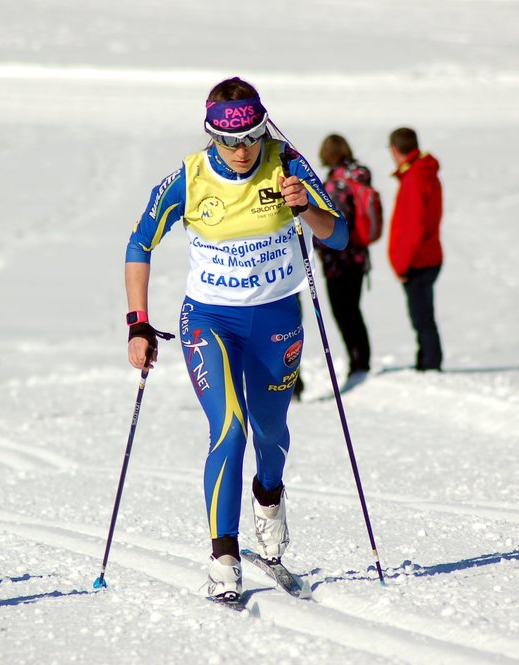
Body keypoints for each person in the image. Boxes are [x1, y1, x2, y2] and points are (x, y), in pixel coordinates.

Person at [124, 77, 348, 602]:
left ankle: (269, 496)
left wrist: (305, 207)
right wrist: (138, 321)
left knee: (271, 434)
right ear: (212, 136)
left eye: (252, 136)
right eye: (230, 141)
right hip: (209, 321)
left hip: (276, 321)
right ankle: (224, 555)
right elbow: (139, 243)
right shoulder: (189, 176)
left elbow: (337, 233)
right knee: (230, 429)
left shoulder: (286, 161)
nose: (243, 150)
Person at [317, 134, 374, 385]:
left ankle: (358, 363)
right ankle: (361, 362)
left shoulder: (334, 185)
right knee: (353, 311)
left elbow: (334, 225)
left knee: (344, 312)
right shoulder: (359, 176)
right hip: (360, 257)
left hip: (339, 261)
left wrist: (316, 242)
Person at [387, 127, 443, 371]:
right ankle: (427, 360)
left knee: (421, 317)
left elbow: (412, 228)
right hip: (428, 255)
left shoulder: (414, 179)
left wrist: (402, 264)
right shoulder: (423, 173)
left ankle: (430, 364)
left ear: (394, 149)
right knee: (423, 315)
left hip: (418, 261)